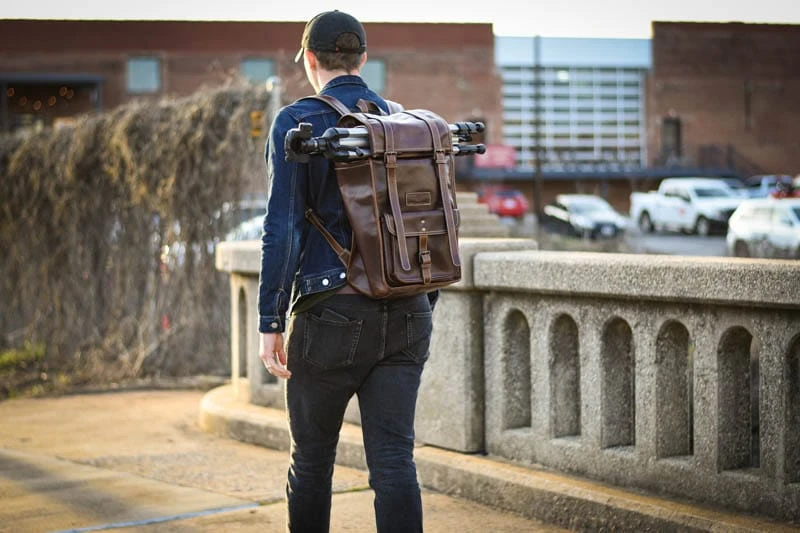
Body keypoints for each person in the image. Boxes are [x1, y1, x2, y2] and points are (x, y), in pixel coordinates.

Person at [257, 10, 436, 533]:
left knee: (312, 464)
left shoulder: (297, 122)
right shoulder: (404, 120)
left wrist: (271, 321)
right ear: (362, 58)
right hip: (408, 309)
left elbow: (283, 227)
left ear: (311, 60)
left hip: (330, 312)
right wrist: (420, 305)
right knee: (395, 463)